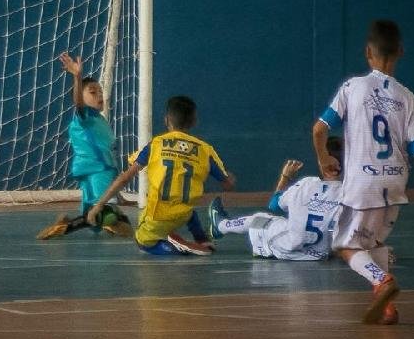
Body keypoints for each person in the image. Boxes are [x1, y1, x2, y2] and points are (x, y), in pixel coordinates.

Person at [313, 19, 414, 325]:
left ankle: (382, 281)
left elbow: (319, 129)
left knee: (344, 245)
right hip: (395, 181)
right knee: (373, 242)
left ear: (368, 52)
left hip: (363, 182)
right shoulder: (407, 97)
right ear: (400, 51)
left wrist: (323, 157)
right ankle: (386, 307)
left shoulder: (353, 87)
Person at [86, 96, 234, 255]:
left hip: (159, 216)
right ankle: (202, 240)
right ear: (194, 121)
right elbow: (227, 183)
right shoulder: (205, 150)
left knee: (142, 241)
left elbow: (125, 178)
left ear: (166, 120)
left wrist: (99, 205)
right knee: (188, 211)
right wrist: (228, 178)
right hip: (183, 214)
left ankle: (179, 248)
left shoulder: (156, 144)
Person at [36, 52, 133, 239]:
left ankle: (66, 223)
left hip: (94, 171)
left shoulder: (100, 121)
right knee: (107, 216)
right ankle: (67, 228)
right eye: (93, 92)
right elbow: (78, 104)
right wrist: (77, 77)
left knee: (94, 219)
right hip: (97, 170)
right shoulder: (84, 116)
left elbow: (108, 150)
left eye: (100, 91)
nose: (99, 95)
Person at [207, 137, 344, 261]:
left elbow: (274, 205)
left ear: (322, 161)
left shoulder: (306, 184)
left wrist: (285, 177)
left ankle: (221, 226)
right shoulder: (349, 193)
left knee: (259, 218)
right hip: (321, 254)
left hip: (286, 249)